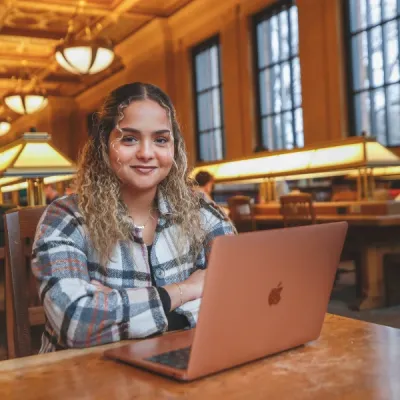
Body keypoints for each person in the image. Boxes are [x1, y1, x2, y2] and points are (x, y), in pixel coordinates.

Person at [32, 82, 235, 352]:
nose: (147, 153)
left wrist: (114, 307)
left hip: (185, 368)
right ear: (103, 144)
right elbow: (76, 320)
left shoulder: (201, 211)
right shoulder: (65, 218)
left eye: (161, 139)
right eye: (129, 138)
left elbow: (240, 291)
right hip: (86, 380)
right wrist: (187, 290)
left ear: (175, 147)